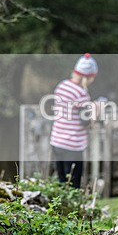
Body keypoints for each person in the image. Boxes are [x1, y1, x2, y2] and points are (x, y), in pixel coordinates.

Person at [49, 53, 98, 189]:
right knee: (73, 185)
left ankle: (59, 208)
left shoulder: (62, 86)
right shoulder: (81, 93)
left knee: (61, 181)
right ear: (86, 77)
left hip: (57, 141)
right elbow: (85, 122)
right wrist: (96, 111)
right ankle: (72, 209)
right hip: (73, 146)